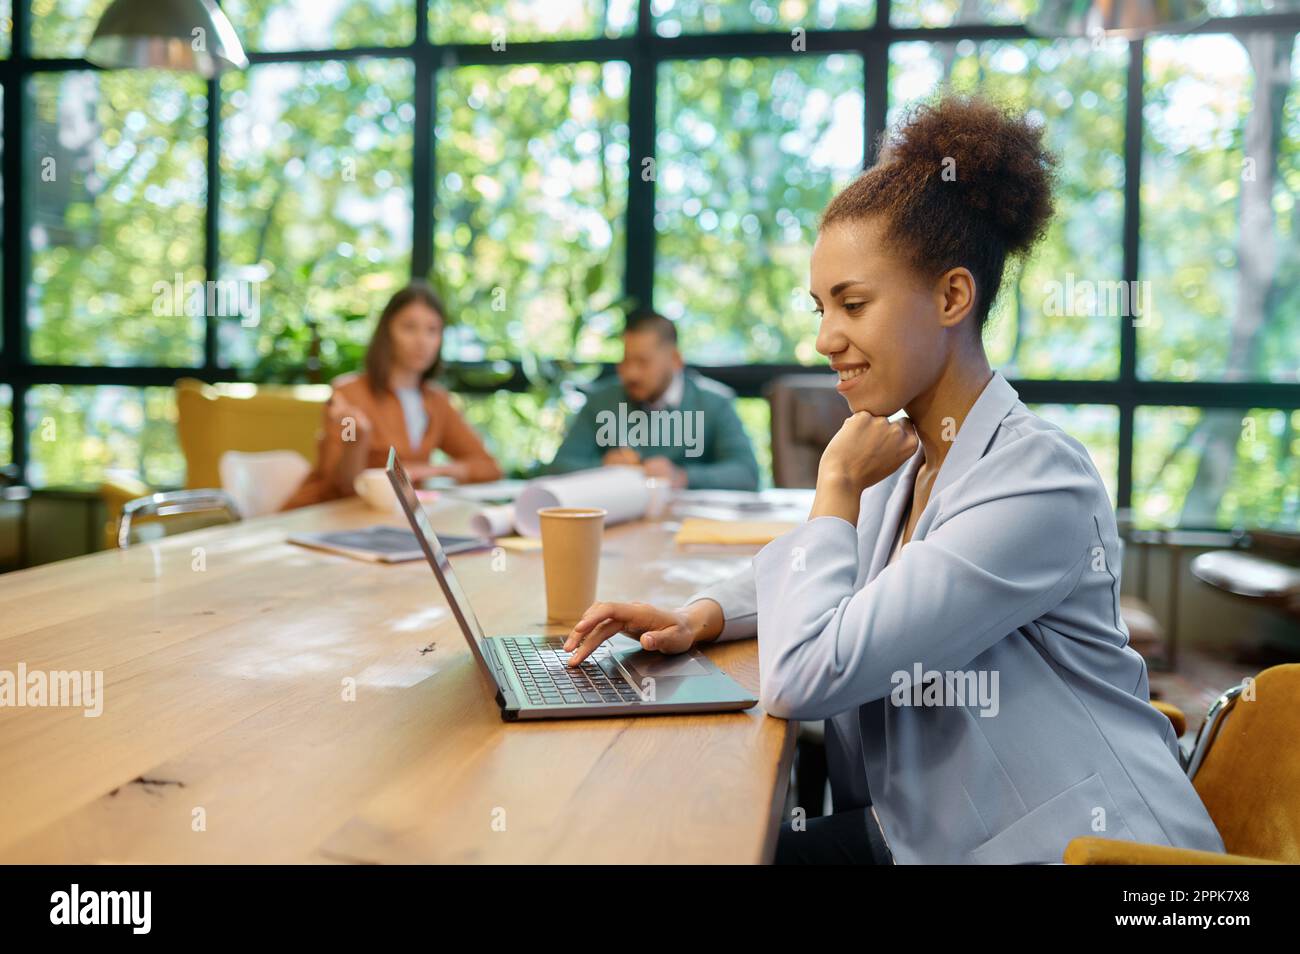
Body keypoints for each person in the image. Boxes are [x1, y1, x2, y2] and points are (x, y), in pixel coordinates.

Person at [558, 96, 1226, 864]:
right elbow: (824, 566)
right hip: (933, 832)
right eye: (820, 307)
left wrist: (835, 479)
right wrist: (700, 613)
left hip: (1096, 858)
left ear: (951, 297)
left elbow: (808, 674)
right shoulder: (911, 455)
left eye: (853, 305)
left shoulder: (1037, 483)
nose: (823, 338)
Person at [282, 281, 501, 509]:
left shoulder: (436, 401)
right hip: (326, 516)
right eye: (409, 328)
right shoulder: (348, 394)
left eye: (432, 330)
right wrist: (358, 438)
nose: (422, 341)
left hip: (394, 520)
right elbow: (341, 486)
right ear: (387, 332)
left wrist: (430, 470)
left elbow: (488, 467)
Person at [545, 309, 760, 491]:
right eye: (626, 362)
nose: (631, 374)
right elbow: (558, 467)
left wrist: (681, 476)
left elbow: (746, 474)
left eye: (643, 362)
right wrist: (603, 467)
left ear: (675, 360)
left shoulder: (714, 403)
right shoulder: (601, 400)